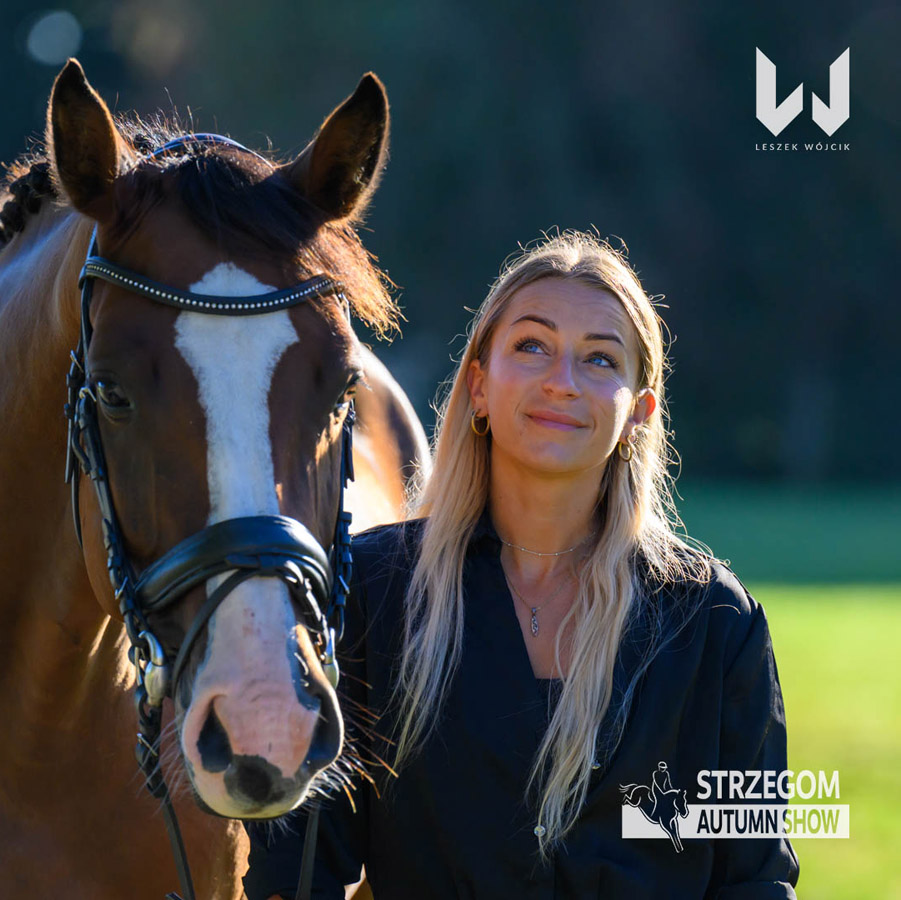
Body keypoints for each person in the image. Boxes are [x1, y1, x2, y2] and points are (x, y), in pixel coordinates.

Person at [244, 230, 799, 899]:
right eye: (531, 346)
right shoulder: (370, 590)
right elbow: (296, 870)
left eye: (599, 360)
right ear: (478, 385)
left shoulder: (714, 624)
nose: (561, 382)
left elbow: (755, 879)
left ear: (637, 415)